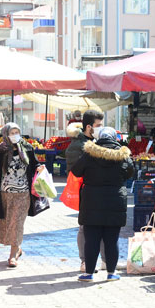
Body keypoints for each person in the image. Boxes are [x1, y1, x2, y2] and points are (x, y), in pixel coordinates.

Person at [71, 127, 134, 282]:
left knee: (91, 238)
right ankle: (111, 273)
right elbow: (130, 173)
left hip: (92, 200)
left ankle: (88, 273)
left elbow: (76, 171)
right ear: (115, 138)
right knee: (112, 239)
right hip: (115, 200)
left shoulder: (89, 153)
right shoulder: (122, 155)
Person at [0, 123, 42, 267]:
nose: (15, 135)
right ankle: (17, 248)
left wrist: (39, 167)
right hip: (5, 194)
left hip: (23, 193)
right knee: (8, 224)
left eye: (17, 132)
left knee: (17, 223)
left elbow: (34, 164)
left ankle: (13, 254)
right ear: (6, 134)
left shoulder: (27, 148)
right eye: (12, 132)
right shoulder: (0, 151)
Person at [66, 110, 106, 273]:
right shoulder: (77, 145)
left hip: (101, 190)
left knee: (105, 225)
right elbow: (74, 171)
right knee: (85, 227)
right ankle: (84, 261)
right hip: (86, 192)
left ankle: (105, 260)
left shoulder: (98, 141)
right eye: (98, 125)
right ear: (89, 126)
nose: (100, 128)